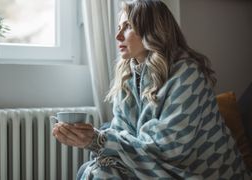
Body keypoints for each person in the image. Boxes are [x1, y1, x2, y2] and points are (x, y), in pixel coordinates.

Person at [52, 0, 251, 179]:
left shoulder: (188, 74)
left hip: (197, 171)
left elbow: (169, 148)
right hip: (156, 166)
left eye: (127, 27)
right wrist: (94, 140)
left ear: (153, 30)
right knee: (98, 171)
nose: (118, 35)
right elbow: (122, 133)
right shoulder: (128, 77)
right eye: (119, 27)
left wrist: (101, 140)